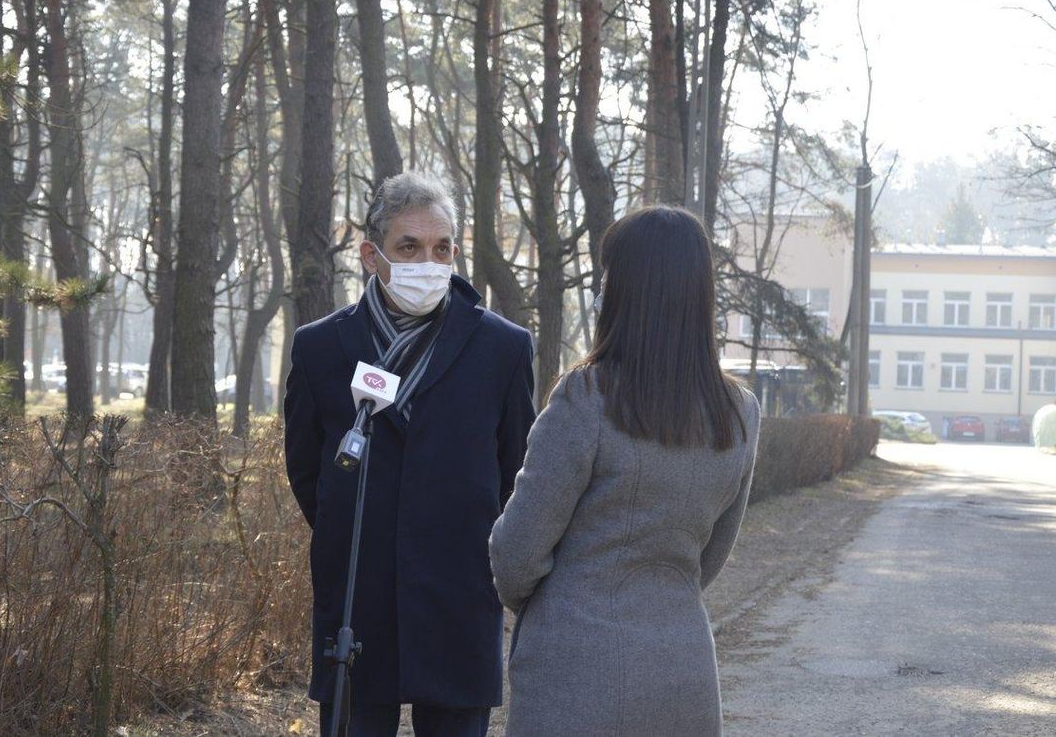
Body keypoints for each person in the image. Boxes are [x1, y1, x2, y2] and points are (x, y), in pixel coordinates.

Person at [490, 206, 762, 736]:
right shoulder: (739, 413)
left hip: (574, 675)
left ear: (625, 291)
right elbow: (711, 559)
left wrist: (560, 600)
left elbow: (516, 556)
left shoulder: (584, 398)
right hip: (683, 673)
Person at [284, 171, 536, 737]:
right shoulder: (321, 347)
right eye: (409, 247)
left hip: (459, 593)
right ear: (372, 256)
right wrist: (356, 527)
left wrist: (473, 546)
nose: (429, 261)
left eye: (441, 247)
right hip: (356, 594)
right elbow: (306, 468)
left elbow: (516, 474)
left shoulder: (503, 348)